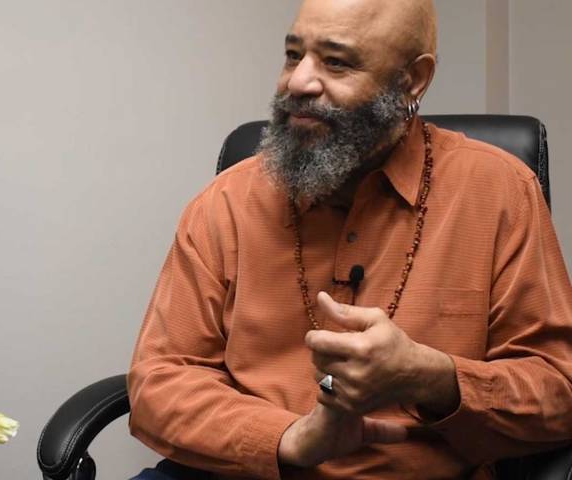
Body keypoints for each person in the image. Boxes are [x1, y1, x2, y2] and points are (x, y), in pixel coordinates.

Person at [127, 0, 572, 478]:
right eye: (293, 55)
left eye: (336, 61)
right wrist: (286, 440)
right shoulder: (226, 202)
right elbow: (159, 382)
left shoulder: (499, 191)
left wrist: (433, 377)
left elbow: (557, 390)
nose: (298, 82)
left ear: (412, 81)